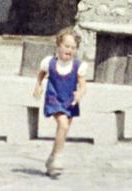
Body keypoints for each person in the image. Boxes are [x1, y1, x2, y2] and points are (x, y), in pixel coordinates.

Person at [31, 27, 88, 177]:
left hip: (70, 100)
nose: (69, 50)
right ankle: (58, 158)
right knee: (62, 124)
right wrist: (38, 85)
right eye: (66, 46)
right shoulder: (49, 62)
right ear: (58, 46)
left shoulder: (77, 66)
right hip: (54, 98)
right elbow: (41, 73)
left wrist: (79, 94)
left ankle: (51, 158)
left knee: (63, 130)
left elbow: (83, 85)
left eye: (73, 47)